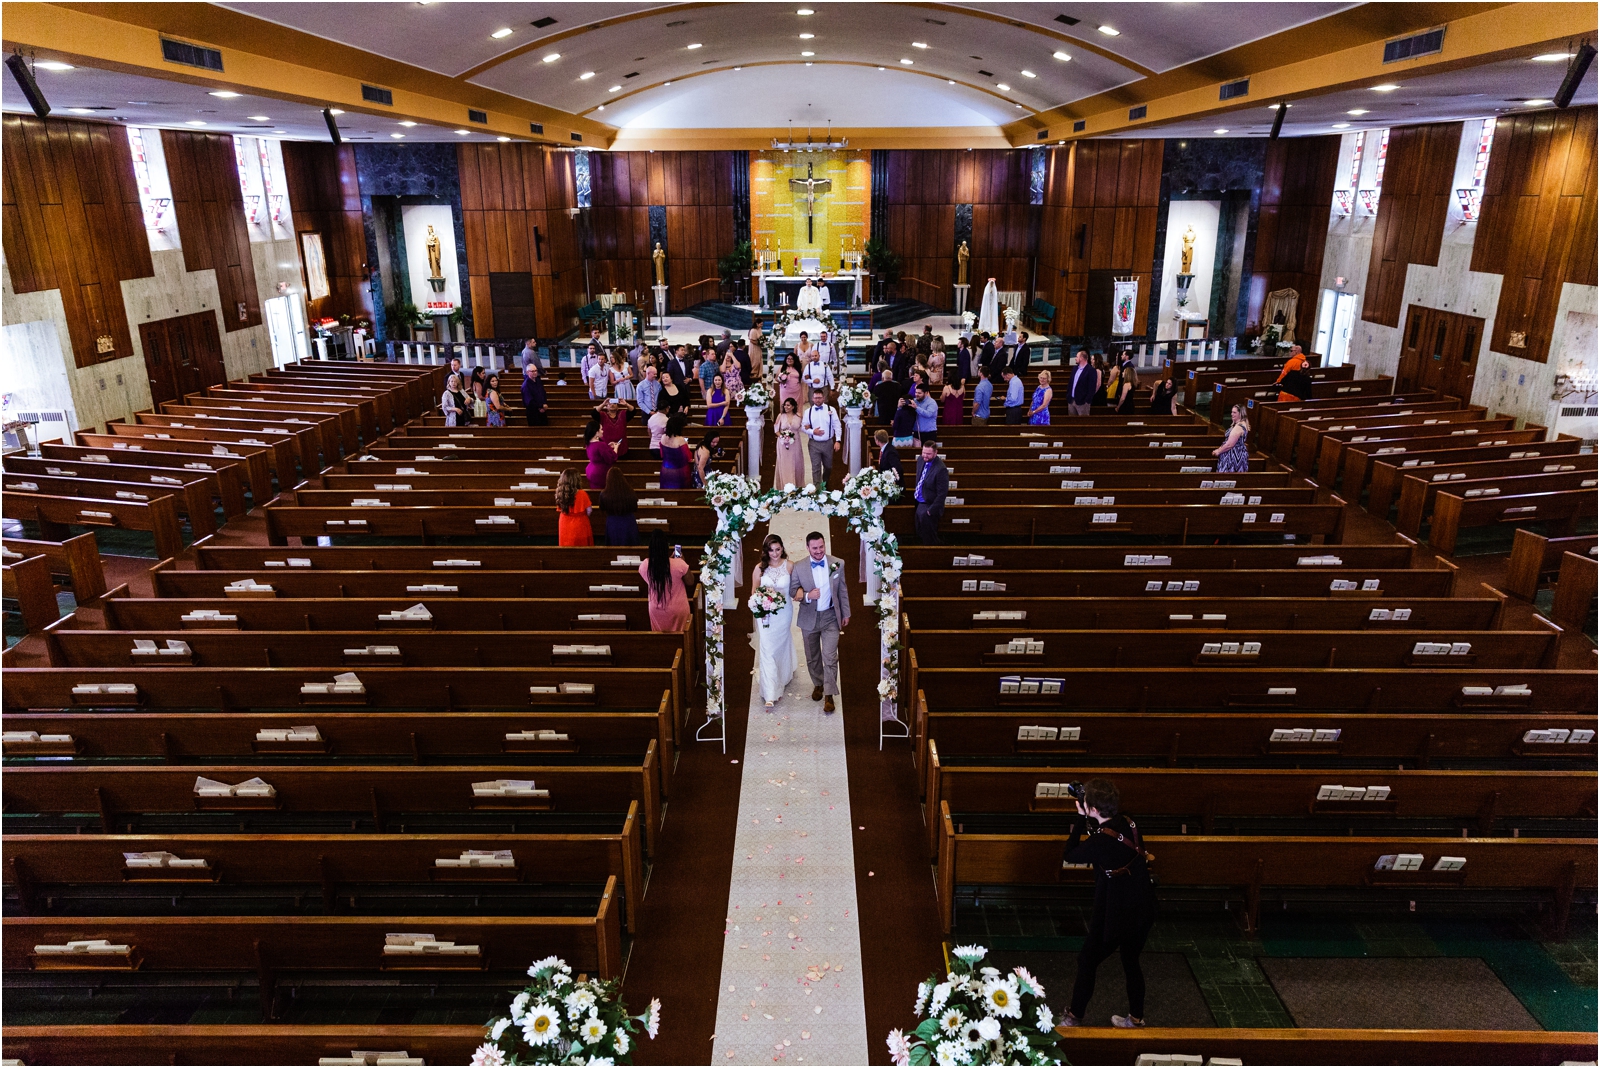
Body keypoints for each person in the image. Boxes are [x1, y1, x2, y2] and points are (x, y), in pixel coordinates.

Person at [1058, 779, 1155, 1030]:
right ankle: (1135, 1019)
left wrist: (1080, 819)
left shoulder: (1101, 841)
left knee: (1087, 960)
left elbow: (1070, 854)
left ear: (1091, 809)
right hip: (1143, 904)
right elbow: (1110, 838)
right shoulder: (1129, 822)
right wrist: (1089, 814)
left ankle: (1073, 1016)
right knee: (1131, 960)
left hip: (1115, 910)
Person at [789, 531, 850, 714]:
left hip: (831, 616)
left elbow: (843, 590)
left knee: (830, 657)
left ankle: (829, 695)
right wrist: (808, 596)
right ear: (807, 548)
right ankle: (818, 684)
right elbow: (793, 591)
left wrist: (846, 613)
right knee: (812, 656)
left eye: (821, 547)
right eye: (814, 548)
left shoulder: (837, 564)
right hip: (809, 618)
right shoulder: (799, 567)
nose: (818, 551)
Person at [751, 534, 795, 711]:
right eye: (771, 550)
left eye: (778, 549)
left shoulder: (790, 566)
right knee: (767, 648)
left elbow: (795, 588)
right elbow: (753, 592)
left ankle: (784, 673)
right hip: (765, 615)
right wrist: (759, 605)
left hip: (784, 613)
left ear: (782, 548)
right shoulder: (759, 569)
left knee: (781, 644)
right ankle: (770, 692)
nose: (775, 553)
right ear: (766, 551)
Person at [639, 531, 690, 632]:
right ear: (666, 547)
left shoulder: (645, 565)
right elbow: (690, 581)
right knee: (682, 639)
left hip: (656, 609)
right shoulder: (679, 564)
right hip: (678, 608)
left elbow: (649, 580)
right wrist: (681, 561)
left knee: (661, 641)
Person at [801, 389, 841, 488]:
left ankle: (825, 483)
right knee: (816, 467)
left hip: (828, 443)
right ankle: (817, 488)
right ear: (812, 398)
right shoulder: (808, 412)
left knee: (828, 467)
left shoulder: (831, 410)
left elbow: (837, 425)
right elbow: (803, 427)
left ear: (823, 398)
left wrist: (838, 440)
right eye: (816, 398)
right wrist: (812, 431)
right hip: (814, 443)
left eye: (819, 398)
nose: (818, 400)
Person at [912, 440, 949, 546]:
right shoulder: (920, 459)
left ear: (935, 453)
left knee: (929, 538)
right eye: (923, 452)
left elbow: (942, 494)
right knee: (919, 532)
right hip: (919, 502)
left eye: (928, 454)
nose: (925, 456)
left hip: (929, 505)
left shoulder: (941, 469)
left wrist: (930, 511)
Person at [599, 468, 640, 546]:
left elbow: (602, 508)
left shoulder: (604, 494)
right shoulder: (630, 492)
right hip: (628, 522)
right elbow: (635, 508)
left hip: (613, 523)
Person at [555, 469, 594, 547]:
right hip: (579, 523)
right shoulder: (582, 494)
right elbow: (589, 510)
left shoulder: (560, 493)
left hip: (564, 522)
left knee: (566, 545)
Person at [773, 396, 804, 489]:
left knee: (796, 462)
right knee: (785, 464)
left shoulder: (799, 416)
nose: (786, 407)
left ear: (793, 406)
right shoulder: (781, 416)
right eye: (785, 405)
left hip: (796, 443)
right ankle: (785, 486)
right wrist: (783, 437)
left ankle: (797, 485)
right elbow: (776, 430)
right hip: (783, 443)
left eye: (788, 405)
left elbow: (803, 428)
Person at [1213, 403, 1251, 474]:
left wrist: (1218, 451)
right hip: (1239, 452)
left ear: (1240, 414)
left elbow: (1229, 444)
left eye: (1234, 412)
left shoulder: (1239, 426)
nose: (1231, 414)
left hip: (1233, 456)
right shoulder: (1242, 424)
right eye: (1231, 412)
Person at [659, 413, 693, 489]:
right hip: (679, 471)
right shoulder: (680, 440)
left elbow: (662, 454)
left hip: (665, 469)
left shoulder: (663, 437)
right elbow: (688, 457)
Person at [584, 419, 619, 490]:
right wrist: (616, 447)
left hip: (591, 471)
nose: (603, 431)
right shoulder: (601, 445)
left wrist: (608, 448)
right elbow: (611, 459)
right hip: (600, 473)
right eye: (601, 429)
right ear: (596, 432)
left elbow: (598, 454)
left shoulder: (588, 443)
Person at [1067, 351, 1095, 417]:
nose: (1075, 358)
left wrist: (1087, 401)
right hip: (1072, 400)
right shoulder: (1075, 368)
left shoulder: (1091, 370)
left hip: (1083, 402)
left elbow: (1092, 387)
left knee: (1083, 423)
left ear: (1082, 358)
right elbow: (1070, 383)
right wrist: (1068, 395)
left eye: (1077, 356)